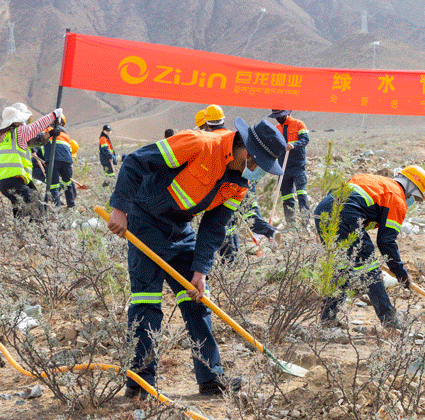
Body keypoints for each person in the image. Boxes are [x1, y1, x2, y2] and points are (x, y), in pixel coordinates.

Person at [106, 118, 285, 399]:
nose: (260, 172)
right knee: (146, 303)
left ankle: (212, 378)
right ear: (248, 154)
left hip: (180, 228)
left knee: (198, 299)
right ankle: (140, 384)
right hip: (145, 222)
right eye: (260, 165)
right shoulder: (199, 144)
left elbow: (215, 226)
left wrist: (200, 270)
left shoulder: (239, 184)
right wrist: (120, 208)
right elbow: (135, 162)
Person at [314, 166, 425, 329]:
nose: (410, 198)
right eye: (411, 195)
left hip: (322, 211)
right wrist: (400, 273)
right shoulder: (397, 197)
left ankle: (328, 318)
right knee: (370, 270)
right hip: (345, 215)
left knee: (342, 268)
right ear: (410, 188)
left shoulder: (377, 181)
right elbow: (386, 242)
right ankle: (391, 324)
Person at [199, 105, 281, 259]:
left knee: (228, 221)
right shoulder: (230, 136)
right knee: (246, 215)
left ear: (206, 125)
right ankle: (267, 233)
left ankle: (230, 258)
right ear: (223, 120)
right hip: (247, 179)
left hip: (234, 184)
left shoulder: (213, 141)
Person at [0, 105, 61, 218]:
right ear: (17, 121)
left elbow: (33, 141)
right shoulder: (19, 132)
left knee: (20, 209)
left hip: (4, 183)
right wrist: (54, 115)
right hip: (15, 180)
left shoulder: (3, 136)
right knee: (37, 207)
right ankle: (42, 233)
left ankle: (21, 232)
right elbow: (36, 127)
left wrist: (50, 134)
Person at [269, 110, 310, 228]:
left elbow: (305, 139)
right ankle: (291, 225)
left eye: (279, 116)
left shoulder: (299, 124)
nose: (278, 118)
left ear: (286, 113)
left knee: (301, 194)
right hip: (283, 167)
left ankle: (305, 223)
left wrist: (294, 145)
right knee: (287, 197)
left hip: (298, 165)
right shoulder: (277, 128)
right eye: (276, 116)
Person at [42, 114, 77, 208]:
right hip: (66, 161)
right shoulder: (66, 136)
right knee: (67, 184)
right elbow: (69, 151)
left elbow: (42, 146)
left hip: (53, 160)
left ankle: (57, 209)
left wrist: (44, 160)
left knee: (54, 186)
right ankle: (72, 206)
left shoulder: (47, 131)